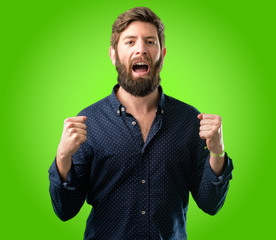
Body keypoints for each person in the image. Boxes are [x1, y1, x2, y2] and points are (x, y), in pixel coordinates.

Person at [48, 7, 233, 240]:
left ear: (162, 55)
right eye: (130, 42)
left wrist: (217, 153)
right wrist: (63, 158)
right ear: (113, 55)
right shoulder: (88, 123)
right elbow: (65, 210)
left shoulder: (189, 121)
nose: (141, 49)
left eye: (149, 42)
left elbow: (210, 204)